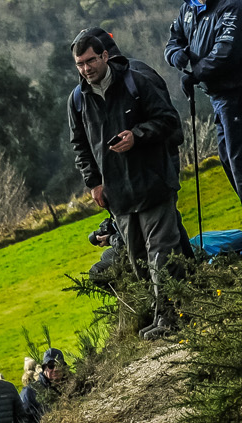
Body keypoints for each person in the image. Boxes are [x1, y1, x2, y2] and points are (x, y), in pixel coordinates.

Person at [69, 29, 186, 339]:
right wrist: (94, 183)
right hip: (118, 195)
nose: (85, 69)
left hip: (153, 183)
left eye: (90, 61)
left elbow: (169, 121)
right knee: (137, 262)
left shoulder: (137, 82)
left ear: (105, 56)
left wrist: (138, 135)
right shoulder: (78, 99)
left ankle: (172, 318)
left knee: (161, 254)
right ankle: (163, 316)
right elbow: (80, 145)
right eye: (79, 64)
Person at [167, 0, 242, 199]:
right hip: (216, 97)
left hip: (235, 94)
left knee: (238, 161)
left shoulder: (231, 5)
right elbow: (174, 41)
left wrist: (195, 72)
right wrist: (176, 56)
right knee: (227, 158)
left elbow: (226, 50)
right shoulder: (188, 8)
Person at [23, 347, 70, 423]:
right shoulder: (31, 392)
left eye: (59, 365)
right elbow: (24, 422)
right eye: (51, 366)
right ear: (44, 368)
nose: (56, 369)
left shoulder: (73, 387)